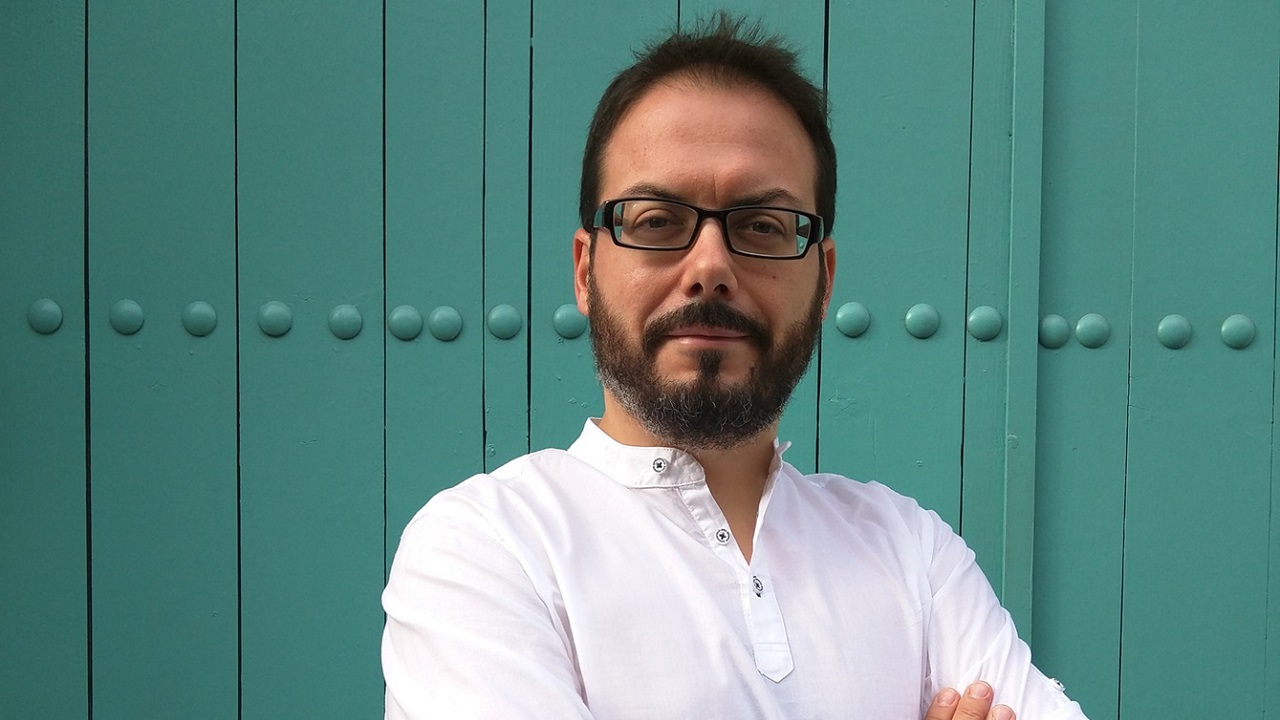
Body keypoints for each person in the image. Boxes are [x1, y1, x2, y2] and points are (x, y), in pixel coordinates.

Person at [382, 14, 1088, 720]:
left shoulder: (914, 552)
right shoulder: (486, 546)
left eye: (761, 226)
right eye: (656, 220)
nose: (711, 266)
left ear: (824, 280)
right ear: (585, 270)